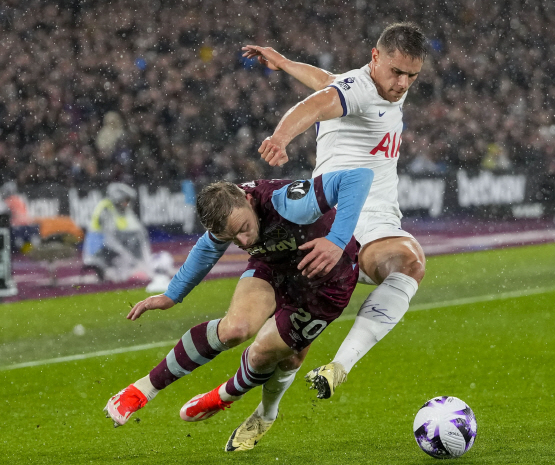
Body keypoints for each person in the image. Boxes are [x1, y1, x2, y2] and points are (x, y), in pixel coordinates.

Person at [104, 168, 373, 452]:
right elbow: (207, 249)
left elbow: (358, 177)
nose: (244, 242)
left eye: (244, 228)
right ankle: (142, 389)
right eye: (233, 238)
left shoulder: (288, 202)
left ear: (248, 199)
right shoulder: (227, 213)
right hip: (274, 266)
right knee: (235, 329)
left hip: (326, 282)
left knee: (275, 357)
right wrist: (172, 295)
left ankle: (243, 404)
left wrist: (337, 240)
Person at [241, 23, 427, 406]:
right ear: (375, 57)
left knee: (409, 264)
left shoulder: (376, 84)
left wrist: (284, 62)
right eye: (397, 72)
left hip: (376, 220)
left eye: (412, 76)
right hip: (333, 220)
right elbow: (316, 104)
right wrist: (280, 138)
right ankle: (265, 412)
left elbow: (326, 81)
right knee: (288, 352)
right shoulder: (360, 89)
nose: (403, 84)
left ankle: (339, 366)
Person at [83, 183, 151, 282]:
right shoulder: (105, 208)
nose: (127, 204)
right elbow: (109, 240)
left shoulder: (122, 209)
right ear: (118, 198)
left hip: (113, 247)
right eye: (126, 200)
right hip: (99, 250)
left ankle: (143, 268)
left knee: (136, 238)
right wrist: (127, 255)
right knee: (124, 250)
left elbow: (139, 231)